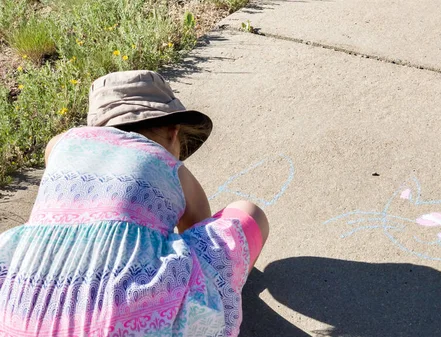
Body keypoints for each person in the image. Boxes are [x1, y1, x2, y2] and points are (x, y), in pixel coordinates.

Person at [0, 70, 269, 336]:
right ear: (174, 132)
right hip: (125, 324)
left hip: (15, 316)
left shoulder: (62, 146)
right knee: (247, 215)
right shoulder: (168, 164)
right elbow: (199, 226)